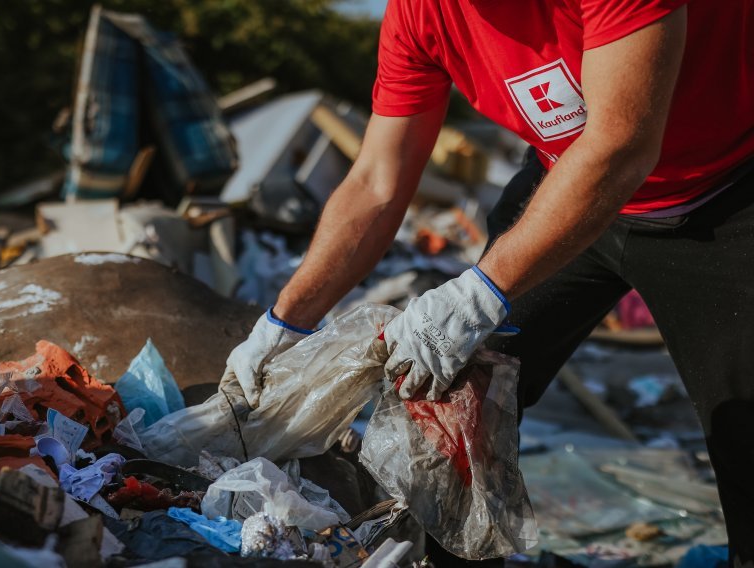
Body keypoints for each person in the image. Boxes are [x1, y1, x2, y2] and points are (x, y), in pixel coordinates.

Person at [223, 0, 754, 565]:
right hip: (565, 180)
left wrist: (479, 291)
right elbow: (378, 182)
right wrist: (286, 321)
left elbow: (621, 145)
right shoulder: (419, 14)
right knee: (446, 387)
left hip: (724, 195)